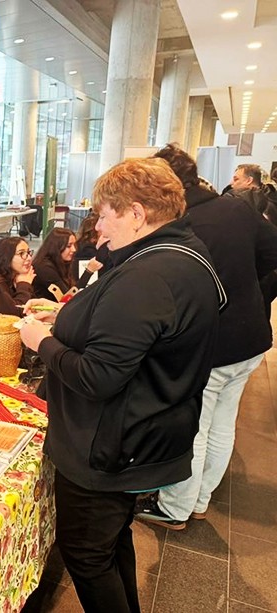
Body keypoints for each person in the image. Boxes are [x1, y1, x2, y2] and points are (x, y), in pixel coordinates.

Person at [18, 157, 224, 613]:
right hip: (146, 433)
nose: (98, 227)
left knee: (88, 556)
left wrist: (44, 342)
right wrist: (67, 319)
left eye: (105, 214)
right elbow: (134, 333)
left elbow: (98, 376)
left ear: (136, 213)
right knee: (110, 544)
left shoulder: (147, 275)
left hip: (112, 445)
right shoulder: (181, 252)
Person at [132, 145, 277, 530]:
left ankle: (176, 507)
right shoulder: (236, 207)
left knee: (193, 426)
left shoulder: (185, 224)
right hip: (250, 339)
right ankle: (200, 499)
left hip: (210, 344)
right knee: (222, 422)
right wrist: (254, 293)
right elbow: (271, 254)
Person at [31, 227, 77, 300]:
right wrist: (88, 271)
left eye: (74, 245)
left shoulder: (62, 262)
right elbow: (68, 296)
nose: (74, 249)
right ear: (56, 247)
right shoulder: (44, 268)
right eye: (69, 246)